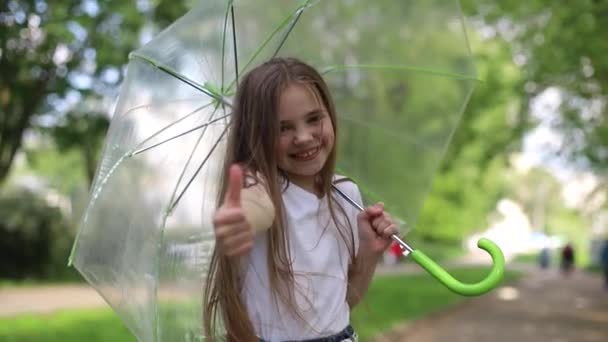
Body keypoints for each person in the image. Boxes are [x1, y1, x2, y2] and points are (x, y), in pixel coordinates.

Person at [203, 57, 399, 341]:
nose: (304, 137)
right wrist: (241, 220)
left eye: (313, 118)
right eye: (282, 128)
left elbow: (339, 306)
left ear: (330, 114)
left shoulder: (346, 193)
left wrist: (368, 251)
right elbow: (256, 206)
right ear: (256, 134)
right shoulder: (259, 185)